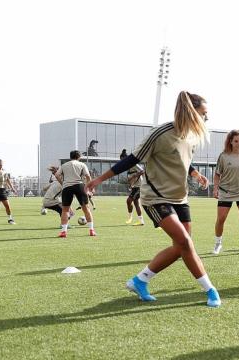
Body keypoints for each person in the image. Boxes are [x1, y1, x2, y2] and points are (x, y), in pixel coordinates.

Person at [85, 91, 221, 307]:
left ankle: (140, 280)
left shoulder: (193, 136)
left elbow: (181, 160)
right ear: (191, 112)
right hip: (155, 198)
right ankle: (210, 290)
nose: (207, 118)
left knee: (182, 247)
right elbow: (132, 159)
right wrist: (99, 179)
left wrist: (194, 173)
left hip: (180, 197)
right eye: (204, 114)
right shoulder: (160, 133)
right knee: (185, 242)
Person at [212, 130, 239, 255]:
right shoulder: (223, 156)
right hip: (226, 192)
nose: (238, 143)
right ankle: (218, 244)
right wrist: (215, 189)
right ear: (230, 141)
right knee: (221, 219)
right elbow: (217, 174)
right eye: (236, 141)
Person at [55, 150, 95, 238]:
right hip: (79, 186)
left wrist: (63, 183)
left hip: (67, 187)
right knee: (86, 209)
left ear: (70, 157)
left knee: (65, 210)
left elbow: (57, 175)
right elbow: (88, 176)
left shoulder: (64, 165)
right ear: (79, 157)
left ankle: (63, 232)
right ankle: (91, 230)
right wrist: (90, 188)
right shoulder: (82, 164)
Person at [121, 149, 146, 226]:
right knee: (136, 203)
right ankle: (141, 221)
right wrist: (130, 184)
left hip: (139, 186)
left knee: (129, 201)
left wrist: (135, 176)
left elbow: (142, 171)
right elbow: (130, 177)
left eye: (123, 160)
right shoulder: (127, 167)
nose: (122, 162)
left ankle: (130, 217)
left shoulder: (134, 165)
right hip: (134, 187)